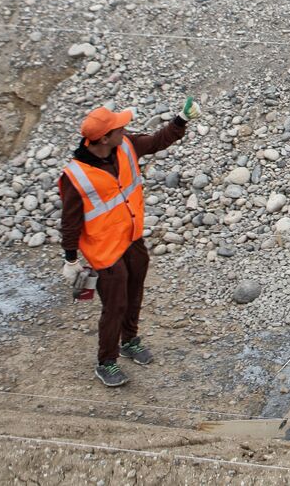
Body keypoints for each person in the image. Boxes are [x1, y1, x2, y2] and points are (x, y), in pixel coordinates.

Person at [60, 100, 201, 387]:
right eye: (118, 127)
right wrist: (71, 259)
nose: (124, 129)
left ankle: (130, 341)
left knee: (134, 292)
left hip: (131, 239)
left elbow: (157, 141)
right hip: (104, 252)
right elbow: (70, 222)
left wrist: (181, 120)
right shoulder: (76, 177)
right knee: (115, 306)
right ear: (103, 138)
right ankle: (106, 361)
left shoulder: (123, 145)